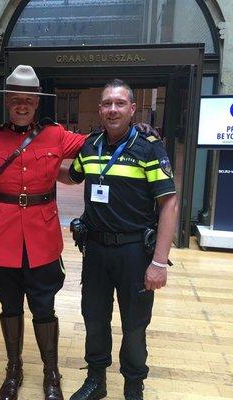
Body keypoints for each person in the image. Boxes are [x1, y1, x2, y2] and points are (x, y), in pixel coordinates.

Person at [0, 65, 87, 400]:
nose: (22, 105)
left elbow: (96, 146)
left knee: (44, 307)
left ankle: (52, 373)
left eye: (29, 100)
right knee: (9, 306)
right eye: (16, 99)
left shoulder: (56, 135)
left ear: (37, 103)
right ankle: (13, 369)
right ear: (8, 102)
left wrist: (135, 135)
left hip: (42, 239)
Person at [58, 79, 178, 400]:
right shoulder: (90, 144)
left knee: (134, 326)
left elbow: (170, 204)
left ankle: (133, 385)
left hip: (134, 252)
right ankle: (96, 380)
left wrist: (158, 263)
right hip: (95, 250)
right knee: (94, 319)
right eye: (107, 104)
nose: (113, 109)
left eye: (120, 103)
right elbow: (72, 176)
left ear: (132, 108)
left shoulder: (149, 148)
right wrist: (40, 162)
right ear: (100, 109)